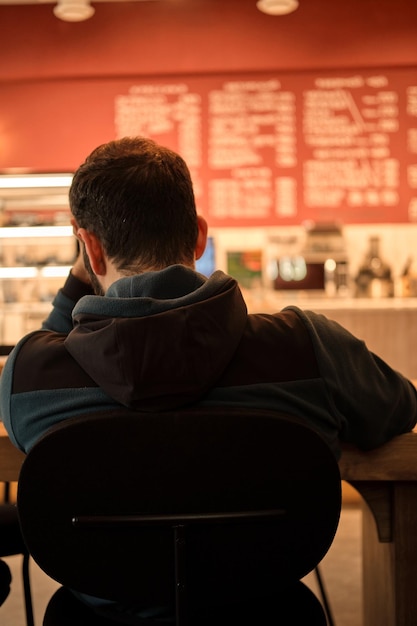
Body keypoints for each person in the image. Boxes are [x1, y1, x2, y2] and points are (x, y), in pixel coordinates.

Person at [1, 136, 417, 621]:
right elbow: (402, 410)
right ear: (199, 237)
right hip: (269, 613)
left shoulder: (28, 375)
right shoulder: (309, 346)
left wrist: (78, 279)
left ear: (90, 249)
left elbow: (52, 346)